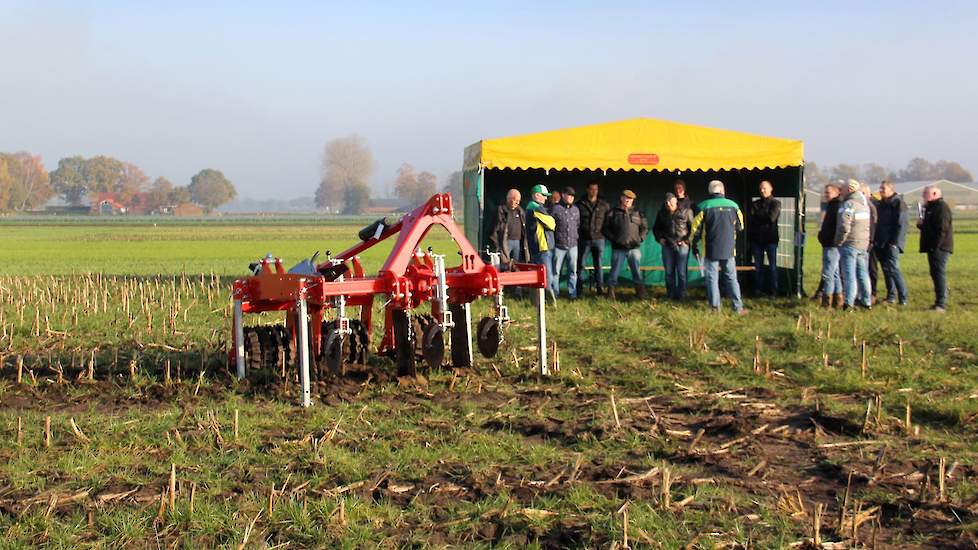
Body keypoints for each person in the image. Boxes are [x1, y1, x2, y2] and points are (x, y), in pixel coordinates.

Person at [690, 180, 746, 314]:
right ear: (722, 191)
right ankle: (738, 307)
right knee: (731, 277)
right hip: (728, 248)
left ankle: (715, 308)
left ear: (710, 192)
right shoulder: (734, 206)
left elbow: (695, 229)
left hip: (710, 249)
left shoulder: (703, 206)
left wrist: (694, 244)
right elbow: (740, 226)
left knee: (712, 278)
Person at [602, 189, 648, 300]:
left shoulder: (638, 212)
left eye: (630, 199)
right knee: (614, 271)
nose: (628, 200)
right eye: (626, 198)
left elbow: (645, 228)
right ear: (621, 198)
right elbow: (605, 228)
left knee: (636, 270)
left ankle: (640, 292)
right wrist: (614, 239)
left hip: (634, 248)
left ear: (633, 200)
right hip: (618, 248)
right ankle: (610, 293)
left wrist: (640, 238)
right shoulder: (613, 212)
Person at [834, 179, 872, 310]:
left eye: (842, 189)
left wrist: (839, 241)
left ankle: (849, 303)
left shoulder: (848, 205)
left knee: (849, 274)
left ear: (849, 189)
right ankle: (867, 301)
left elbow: (844, 226)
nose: (840, 191)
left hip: (850, 243)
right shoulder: (864, 205)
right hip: (863, 244)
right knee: (863, 273)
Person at [917, 185, 954, 312]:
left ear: (934, 193)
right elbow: (931, 227)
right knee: (935, 274)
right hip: (933, 247)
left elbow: (942, 229)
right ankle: (939, 301)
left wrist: (936, 246)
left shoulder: (941, 207)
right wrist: (921, 225)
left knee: (939, 273)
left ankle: (941, 304)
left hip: (940, 247)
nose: (923, 196)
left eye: (925, 193)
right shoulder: (930, 208)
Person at [653, 192, 694, 300]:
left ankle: (682, 294)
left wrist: (686, 241)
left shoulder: (686, 211)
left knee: (681, 272)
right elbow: (656, 229)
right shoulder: (661, 213)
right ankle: (670, 294)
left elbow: (693, 228)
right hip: (667, 245)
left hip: (682, 245)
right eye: (666, 203)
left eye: (670, 202)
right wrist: (659, 239)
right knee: (669, 272)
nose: (668, 204)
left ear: (675, 201)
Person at [874, 180, 909, 305]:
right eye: (880, 188)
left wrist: (894, 242)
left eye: (883, 188)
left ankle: (903, 297)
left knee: (893, 269)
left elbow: (901, 225)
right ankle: (891, 296)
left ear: (891, 189)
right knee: (886, 270)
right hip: (881, 242)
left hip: (891, 243)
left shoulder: (898, 203)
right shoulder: (881, 204)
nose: (881, 190)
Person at [576, 181, 610, 295]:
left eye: (596, 189)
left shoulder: (604, 204)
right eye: (591, 189)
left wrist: (604, 233)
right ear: (587, 189)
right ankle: (579, 289)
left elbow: (608, 221)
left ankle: (600, 289)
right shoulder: (580, 204)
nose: (594, 191)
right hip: (584, 239)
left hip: (599, 239)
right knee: (581, 265)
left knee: (599, 265)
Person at [747, 180, 781, 296]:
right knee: (758, 267)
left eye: (765, 188)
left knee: (772, 267)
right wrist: (762, 215)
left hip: (771, 239)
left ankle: (773, 291)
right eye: (761, 188)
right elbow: (750, 218)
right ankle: (758, 290)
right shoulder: (755, 203)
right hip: (757, 240)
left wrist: (758, 215)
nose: (762, 190)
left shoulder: (776, 203)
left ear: (771, 189)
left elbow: (771, 218)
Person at [526, 184, 558, 304]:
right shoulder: (536, 207)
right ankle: (550, 303)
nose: (545, 198)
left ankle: (536, 302)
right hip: (542, 247)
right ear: (537, 195)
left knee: (537, 276)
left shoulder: (533, 207)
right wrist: (551, 219)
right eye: (544, 195)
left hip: (537, 247)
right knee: (546, 277)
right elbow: (552, 224)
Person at [817, 183, 844, 308]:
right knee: (835, 273)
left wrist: (827, 237)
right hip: (829, 243)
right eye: (825, 192)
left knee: (828, 273)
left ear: (836, 192)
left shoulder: (837, 206)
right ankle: (838, 300)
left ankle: (826, 302)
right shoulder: (832, 205)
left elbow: (838, 226)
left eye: (828, 192)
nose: (826, 194)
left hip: (832, 244)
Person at [488, 189, 529, 270]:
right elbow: (494, 229)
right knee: (505, 265)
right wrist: (497, 245)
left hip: (517, 242)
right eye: (515, 200)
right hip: (505, 242)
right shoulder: (501, 210)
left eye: (518, 200)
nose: (517, 202)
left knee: (516, 265)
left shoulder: (520, 211)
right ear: (509, 199)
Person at [551, 186, 581, 299]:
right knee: (555, 272)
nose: (571, 197)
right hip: (559, 245)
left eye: (572, 196)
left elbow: (577, 225)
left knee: (573, 271)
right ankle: (555, 294)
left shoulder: (576, 210)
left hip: (573, 245)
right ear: (563, 195)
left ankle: (572, 294)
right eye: (569, 195)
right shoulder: (556, 209)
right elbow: (550, 226)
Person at [862, 183, 880, 302]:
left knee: (872, 267)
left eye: (863, 193)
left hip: (872, 240)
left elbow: (875, 224)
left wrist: (872, 240)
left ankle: (873, 292)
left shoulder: (873, 206)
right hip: (863, 240)